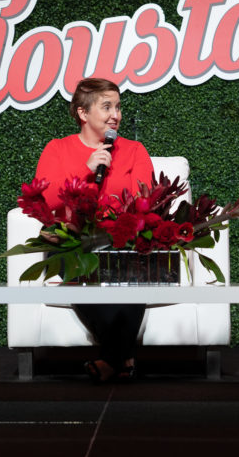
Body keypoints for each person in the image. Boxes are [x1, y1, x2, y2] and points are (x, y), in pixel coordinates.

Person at [33, 77, 154, 382]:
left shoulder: (134, 150)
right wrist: (84, 171)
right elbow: (45, 200)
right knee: (82, 270)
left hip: (118, 239)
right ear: (83, 113)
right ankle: (122, 358)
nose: (116, 114)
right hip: (71, 240)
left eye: (118, 106)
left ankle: (112, 360)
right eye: (107, 106)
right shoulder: (58, 149)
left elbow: (145, 198)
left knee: (130, 269)